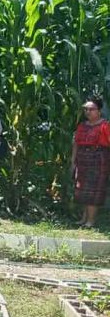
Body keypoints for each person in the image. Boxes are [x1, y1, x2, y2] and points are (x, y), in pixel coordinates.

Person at [72, 97, 110, 228]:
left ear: (99, 111)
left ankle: (91, 221)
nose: (88, 112)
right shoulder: (82, 125)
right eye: (86, 109)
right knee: (83, 189)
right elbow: (76, 144)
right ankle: (84, 218)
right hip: (83, 159)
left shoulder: (105, 125)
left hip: (98, 160)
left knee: (94, 190)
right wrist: (73, 161)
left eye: (91, 109)